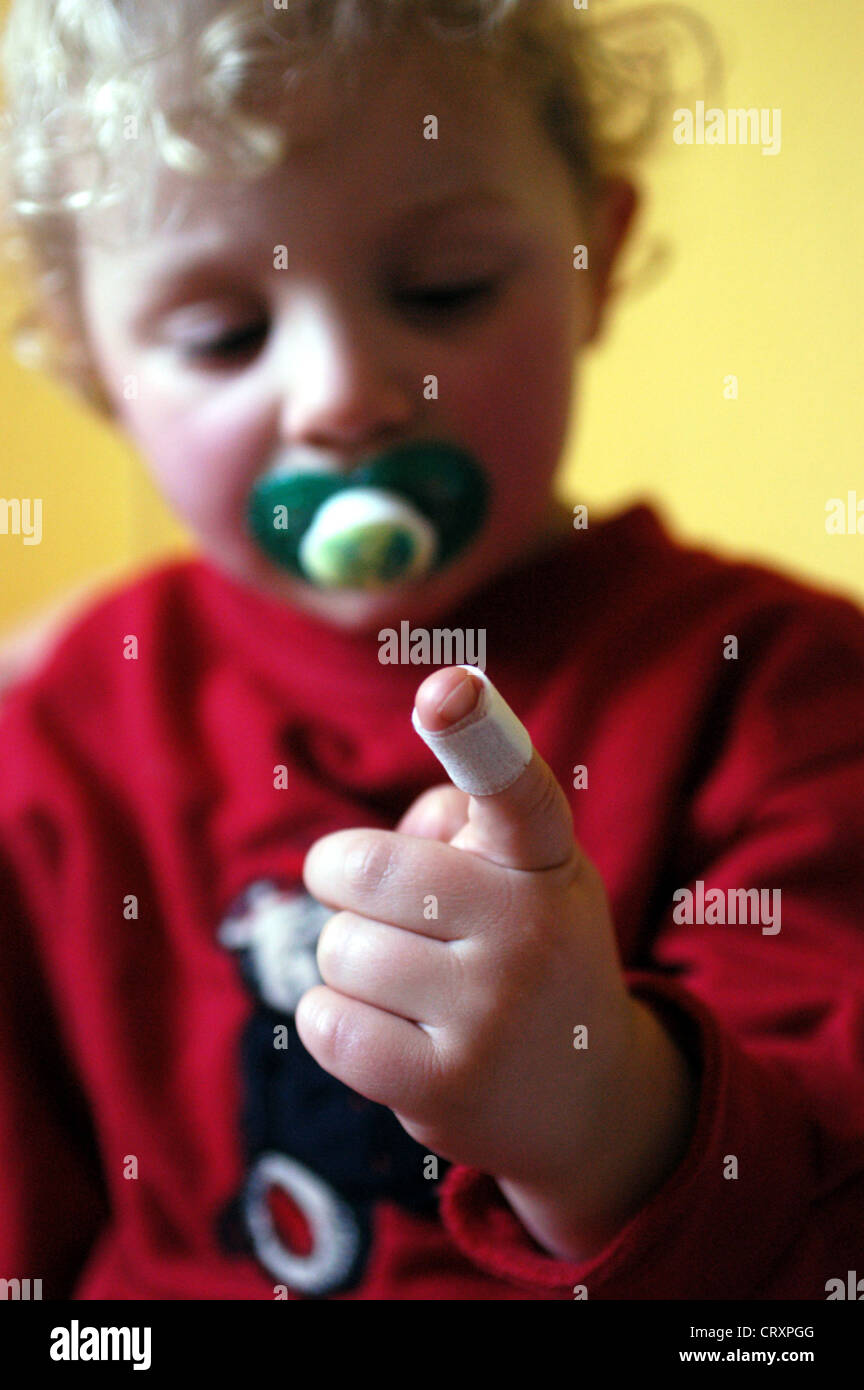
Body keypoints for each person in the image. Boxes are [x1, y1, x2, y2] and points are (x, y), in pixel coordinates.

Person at [0, 0, 862, 1301]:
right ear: (90, 365)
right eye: (225, 335)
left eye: (444, 288)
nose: (342, 393)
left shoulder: (789, 693)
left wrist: (600, 1109)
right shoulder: (54, 731)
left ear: (595, 257)